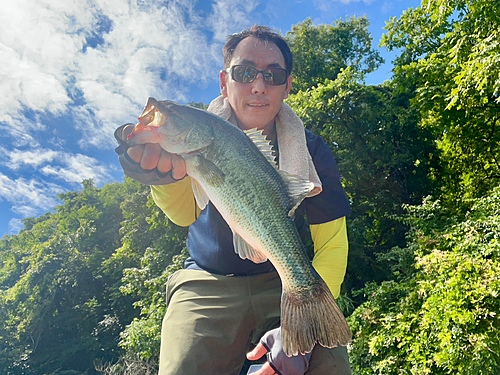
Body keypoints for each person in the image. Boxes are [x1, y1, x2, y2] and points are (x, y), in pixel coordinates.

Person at [115, 25, 352, 375]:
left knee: (328, 368)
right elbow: (183, 215)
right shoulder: (193, 143)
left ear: (287, 87)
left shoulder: (312, 150)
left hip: (281, 277)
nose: (258, 85)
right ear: (225, 83)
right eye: (245, 73)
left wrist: (300, 319)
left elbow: (331, 243)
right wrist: (160, 176)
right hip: (206, 279)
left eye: (273, 75)